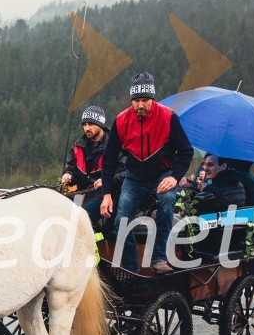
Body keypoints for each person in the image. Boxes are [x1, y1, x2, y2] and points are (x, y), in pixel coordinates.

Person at [100, 72, 194, 274]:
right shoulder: (121, 121)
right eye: (136, 101)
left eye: (145, 100)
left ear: (153, 99)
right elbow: (108, 160)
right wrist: (106, 194)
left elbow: (186, 151)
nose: (140, 105)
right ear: (131, 100)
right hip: (134, 177)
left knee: (167, 202)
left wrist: (174, 177)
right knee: (120, 220)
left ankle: (159, 258)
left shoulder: (168, 117)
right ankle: (131, 268)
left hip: (163, 174)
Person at [60, 105, 125, 226]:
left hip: (106, 194)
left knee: (79, 216)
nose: (86, 128)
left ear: (100, 124)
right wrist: (68, 174)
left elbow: (123, 173)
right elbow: (71, 168)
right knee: (59, 213)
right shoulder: (77, 147)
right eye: (84, 124)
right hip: (81, 194)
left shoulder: (115, 145)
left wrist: (106, 181)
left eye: (90, 124)